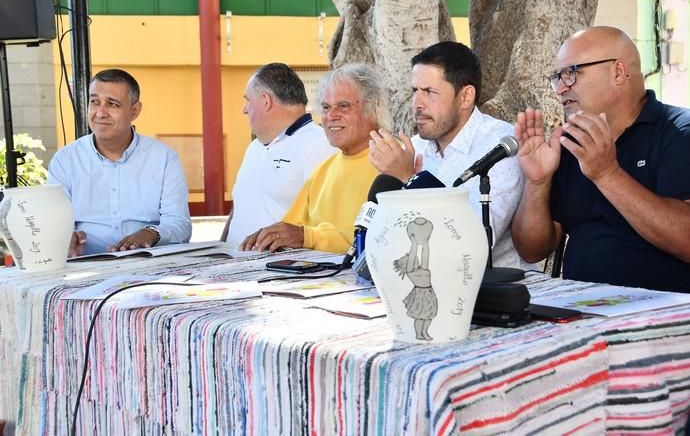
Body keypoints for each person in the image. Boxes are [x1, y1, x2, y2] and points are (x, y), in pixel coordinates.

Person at [512, 26, 690, 292]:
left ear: (618, 72)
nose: (560, 89)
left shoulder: (678, 132)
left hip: (663, 316)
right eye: (556, 78)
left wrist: (607, 174)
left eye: (571, 73)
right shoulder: (572, 144)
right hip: (579, 310)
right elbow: (532, 250)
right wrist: (537, 183)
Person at [369, 41, 527, 269]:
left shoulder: (501, 147)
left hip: (492, 292)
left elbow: (473, 242)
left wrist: (409, 179)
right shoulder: (415, 148)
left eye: (429, 92)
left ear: (465, 97)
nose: (417, 104)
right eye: (415, 91)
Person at [239, 63, 386, 253]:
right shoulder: (323, 170)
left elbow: (382, 239)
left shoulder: (393, 162)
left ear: (373, 109)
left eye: (343, 106)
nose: (332, 116)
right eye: (325, 107)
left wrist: (308, 237)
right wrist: (266, 238)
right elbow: (290, 230)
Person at [48, 68, 192, 256]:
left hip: (148, 264)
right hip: (85, 265)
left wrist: (152, 233)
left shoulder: (164, 158)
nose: (100, 113)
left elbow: (180, 224)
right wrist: (66, 238)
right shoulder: (65, 160)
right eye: (94, 102)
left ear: (135, 110)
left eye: (112, 104)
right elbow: (54, 225)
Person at [222, 63, 336, 248]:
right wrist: (222, 246)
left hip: (282, 271)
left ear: (265, 100)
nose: (244, 109)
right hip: (233, 267)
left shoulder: (320, 145)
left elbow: (330, 223)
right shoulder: (254, 148)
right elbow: (240, 207)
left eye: (248, 100)